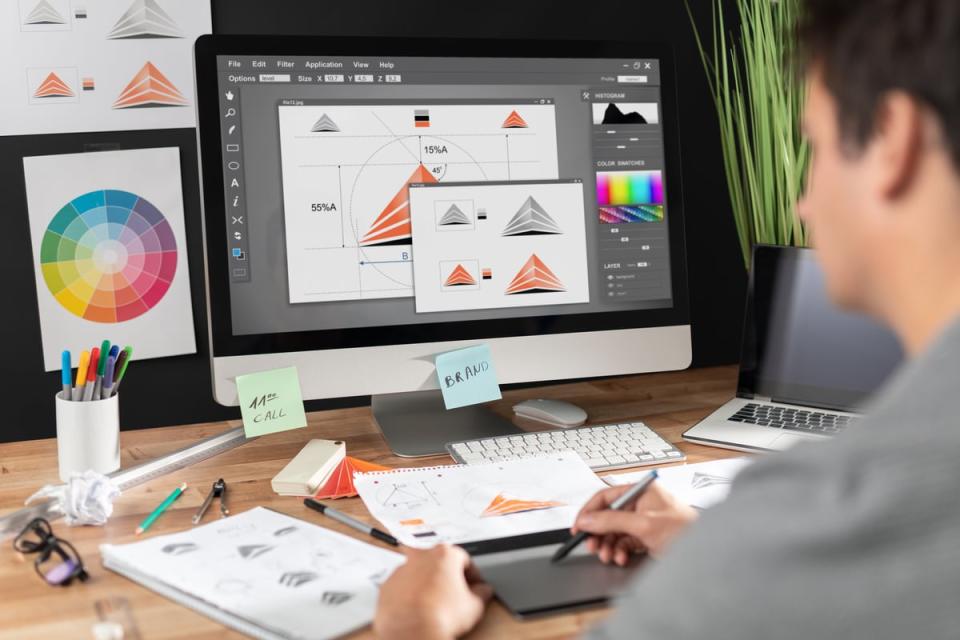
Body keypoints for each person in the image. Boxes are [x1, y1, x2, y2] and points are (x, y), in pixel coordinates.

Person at [373, 0, 960, 637]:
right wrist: (722, 554)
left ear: (891, 141)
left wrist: (411, 627)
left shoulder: (846, 508)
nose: (804, 201)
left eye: (813, 144)